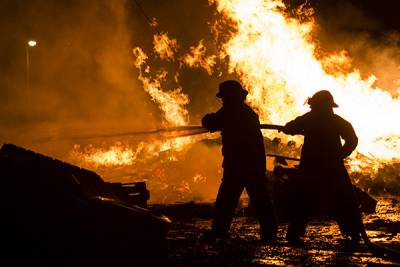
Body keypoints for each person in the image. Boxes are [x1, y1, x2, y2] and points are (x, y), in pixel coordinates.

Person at [281, 90, 364, 245]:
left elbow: (291, 127)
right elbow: (352, 139)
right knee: (344, 199)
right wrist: (340, 154)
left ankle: (294, 234)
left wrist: (287, 128)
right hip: (333, 165)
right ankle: (354, 233)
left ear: (317, 105)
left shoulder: (310, 118)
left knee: (303, 200)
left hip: (311, 166)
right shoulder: (336, 120)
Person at [201, 80, 277, 242]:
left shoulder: (231, 110)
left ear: (230, 96)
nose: (222, 100)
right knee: (260, 199)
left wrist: (208, 120)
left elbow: (211, 122)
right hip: (253, 163)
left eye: (224, 97)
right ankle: (270, 232)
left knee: (226, 200)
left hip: (237, 163)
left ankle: (219, 231)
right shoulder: (246, 112)